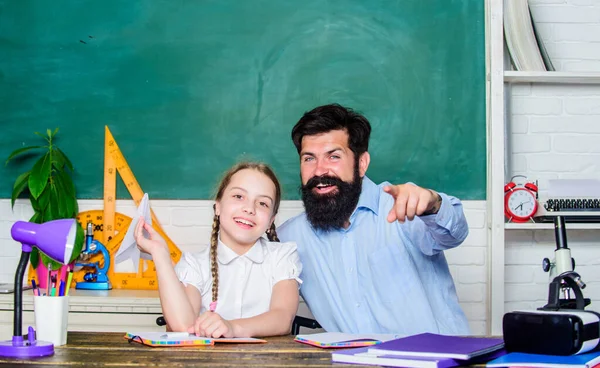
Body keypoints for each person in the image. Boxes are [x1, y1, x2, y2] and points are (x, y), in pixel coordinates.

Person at [278, 104, 470, 336]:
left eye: (334, 156)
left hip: (437, 360)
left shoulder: (405, 206)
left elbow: (454, 235)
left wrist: (433, 203)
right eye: (309, 158)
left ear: (361, 164)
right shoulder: (289, 239)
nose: (319, 171)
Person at [135, 162, 301, 338]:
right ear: (218, 206)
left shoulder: (282, 257)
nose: (249, 209)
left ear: (270, 221)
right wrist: (160, 255)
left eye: (262, 203)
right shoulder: (195, 264)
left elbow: (283, 318)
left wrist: (232, 328)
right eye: (238, 196)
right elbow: (183, 326)